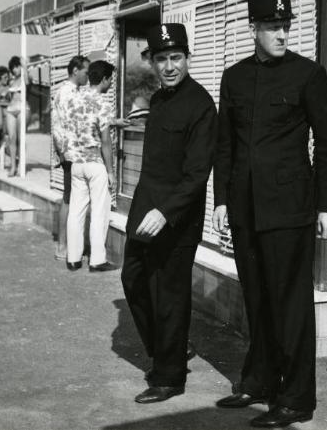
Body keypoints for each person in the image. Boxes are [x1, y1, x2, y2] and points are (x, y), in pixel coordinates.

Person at [212, 0, 327, 428]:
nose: (282, 34)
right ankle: (260, 380)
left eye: (285, 26)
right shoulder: (233, 78)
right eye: (273, 27)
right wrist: (222, 201)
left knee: (290, 306)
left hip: (290, 210)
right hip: (246, 210)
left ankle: (296, 399)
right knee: (257, 299)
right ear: (255, 29)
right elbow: (225, 146)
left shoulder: (307, 75)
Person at [120, 23, 217, 404]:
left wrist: (166, 212)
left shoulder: (201, 105)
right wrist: (142, 210)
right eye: (161, 59)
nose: (169, 66)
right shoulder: (157, 101)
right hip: (145, 213)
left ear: (187, 58)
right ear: (153, 63)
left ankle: (169, 375)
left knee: (170, 296)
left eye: (176, 57)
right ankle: (167, 349)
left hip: (176, 218)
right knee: (134, 279)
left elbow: (197, 174)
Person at [64, 60, 121, 272]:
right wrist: (111, 171)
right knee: (99, 212)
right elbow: (106, 142)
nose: (110, 84)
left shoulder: (75, 99)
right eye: (110, 80)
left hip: (77, 163)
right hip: (96, 164)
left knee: (76, 212)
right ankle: (97, 260)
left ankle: (73, 258)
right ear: (104, 79)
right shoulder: (102, 103)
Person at [51, 55, 90, 262]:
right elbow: (66, 125)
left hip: (77, 152)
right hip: (71, 153)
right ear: (76, 70)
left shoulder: (75, 92)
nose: (87, 76)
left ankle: (72, 243)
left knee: (76, 199)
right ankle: (62, 245)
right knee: (68, 199)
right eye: (85, 71)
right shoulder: (66, 93)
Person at [5, 56, 31, 176]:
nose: (15, 70)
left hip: (22, 107)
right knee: (11, 138)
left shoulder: (26, 76)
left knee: (21, 137)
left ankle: (21, 164)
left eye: (17, 66)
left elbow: (26, 82)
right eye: (13, 68)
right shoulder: (11, 81)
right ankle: (13, 166)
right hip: (11, 109)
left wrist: (24, 66)